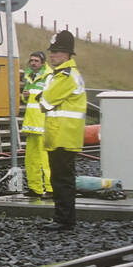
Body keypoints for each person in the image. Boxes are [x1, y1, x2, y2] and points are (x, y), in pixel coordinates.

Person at [40, 30, 87, 231]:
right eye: (52, 51)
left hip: (64, 136)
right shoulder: (61, 75)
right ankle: (62, 218)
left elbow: (46, 101)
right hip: (59, 135)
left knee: (62, 180)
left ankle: (65, 220)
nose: (52, 55)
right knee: (59, 178)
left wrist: (41, 97)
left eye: (57, 52)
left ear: (68, 54)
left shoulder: (67, 76)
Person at [19, 51, 54, 198]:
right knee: (31, 159)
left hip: (43, 124)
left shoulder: (49, 77)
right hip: (32, 124)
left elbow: (49, 98)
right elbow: (28, 100)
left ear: (42, 63)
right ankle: (35, 188)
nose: (33, 63)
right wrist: (24, 96)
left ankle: (51, 189)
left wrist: (31, 96)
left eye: (36, 61)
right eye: (31, 60)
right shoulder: (29, 77)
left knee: (45, 160)